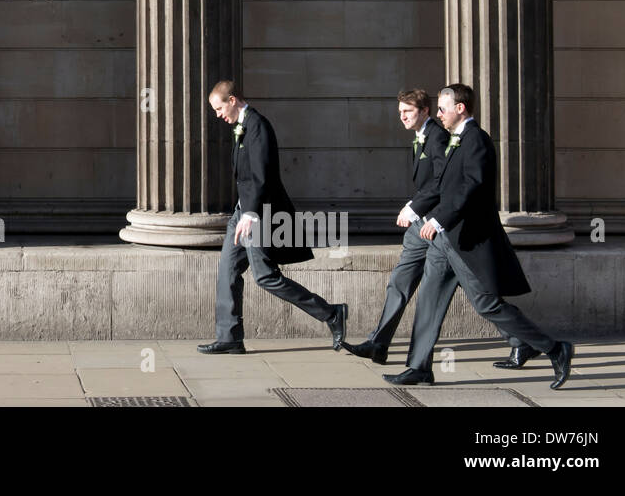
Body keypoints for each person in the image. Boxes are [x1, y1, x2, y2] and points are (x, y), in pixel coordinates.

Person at [384, 84, 575, 389]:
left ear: (460, 108)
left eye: (444, 108)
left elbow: (471, 187)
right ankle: (418, 367)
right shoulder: (452, 140)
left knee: (486, 304)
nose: (440, 114)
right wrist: (431, 216)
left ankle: (554, 348)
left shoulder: (476, 140)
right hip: (445, 240)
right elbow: (443, 187)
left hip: (466, 241)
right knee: (429, 300)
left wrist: (439, 219)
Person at [197, 80, 347, 355]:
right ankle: (229, 337)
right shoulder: (243, 127)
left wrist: (252, 213)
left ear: (232, 100)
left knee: (266, 276)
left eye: (219, 108)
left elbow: (262, 174)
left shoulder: (257, 125)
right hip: (242, 212)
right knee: (227, 270)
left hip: (257, 214)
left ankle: (331, 313)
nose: (218, 114)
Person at [343, 88, 449, 364]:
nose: (401, 117)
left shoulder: (437, 137)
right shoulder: (420, 137)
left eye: (408, 111)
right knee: (399, 282)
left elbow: (442, 181)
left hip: (438, 226)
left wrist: (415, 206)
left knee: (481, 295)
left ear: (425, 111)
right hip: (420, 227)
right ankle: (379, 344)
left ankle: (525, 342)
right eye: (400, 112)